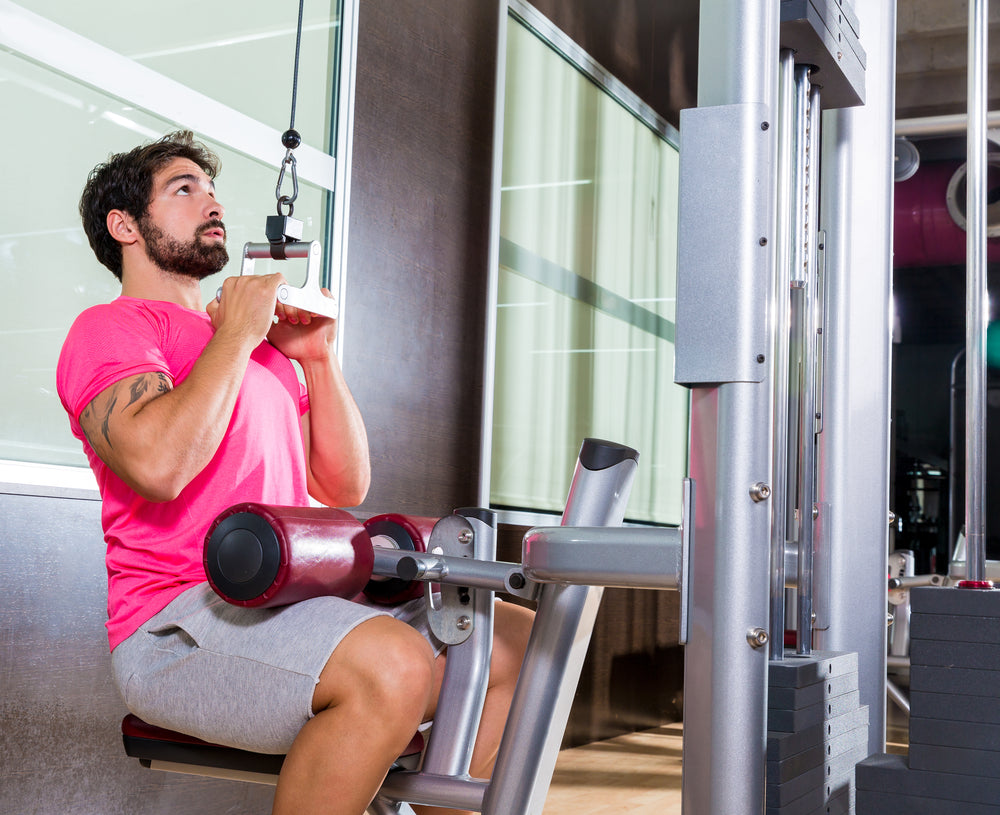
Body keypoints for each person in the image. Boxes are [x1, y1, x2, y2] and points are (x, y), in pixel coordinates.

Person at [57, 130, 533, 815]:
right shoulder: (116, 328)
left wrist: (314, 356)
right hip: (176, 624)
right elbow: (157, 464)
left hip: (288, 599)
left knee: (509, 636)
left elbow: (344, 486)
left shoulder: (261, 348)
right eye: (183, 189)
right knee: (392, 662)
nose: (210, 202)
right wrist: (236, 336)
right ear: (124, 225)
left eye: (213, 189)